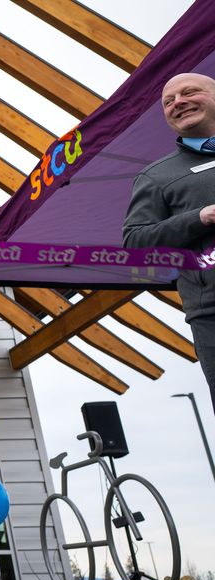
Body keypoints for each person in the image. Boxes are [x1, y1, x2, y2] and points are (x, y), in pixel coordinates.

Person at [124, 72, 215, 414]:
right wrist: (200, 217)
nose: (179, 102)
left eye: (190, 92)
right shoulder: (156, 176)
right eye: (169, 101)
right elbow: (134, 242)